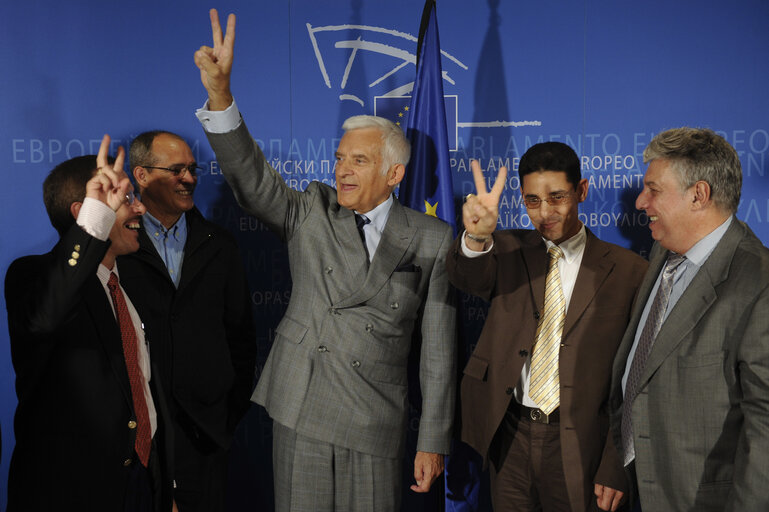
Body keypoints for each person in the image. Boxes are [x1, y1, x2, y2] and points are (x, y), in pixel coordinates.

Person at [192, 9, 456, 511]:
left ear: (394, 173)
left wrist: (433, 438)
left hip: (377, 421)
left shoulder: (432, 237)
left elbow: (439, 352)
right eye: (339, 158)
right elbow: (252, 182)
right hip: (304, 405)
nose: (343, 170)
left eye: (358, 161)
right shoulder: (311, 208)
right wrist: (222, 98)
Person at [447, 142, 648, 511]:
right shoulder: (505, 249)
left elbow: (635, 381)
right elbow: (466, 276)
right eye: (532, 201)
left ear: (582, 190)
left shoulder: (630, 272)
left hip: (581, 443)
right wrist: (476, 236)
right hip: (509, 437)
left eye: (557, 198)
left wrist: (616, 464)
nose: (545, 214)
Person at [5, 137, 172, 511]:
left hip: (143, 488)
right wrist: (97, 217)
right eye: (125, 199)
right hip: (71, 494)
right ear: (85, 212)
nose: (140, 208)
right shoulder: (31, 275)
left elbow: (146, 393)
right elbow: (45, 316)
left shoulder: (137, 283)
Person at [609, 127, 769, 511]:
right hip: (639, 488)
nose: (641, 202)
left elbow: (765, 428)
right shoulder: (663, 254)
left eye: (654, 190)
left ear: (699, 195)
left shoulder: (758, 282)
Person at [117, 129, 256, 511]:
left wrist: (223, 417)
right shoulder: (119, 248)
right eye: (176, 170)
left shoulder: (220, 245)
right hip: (135, 437)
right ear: (141, 175)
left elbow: (241, 339)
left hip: (204, 437)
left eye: (192, 169)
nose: (190, 179)